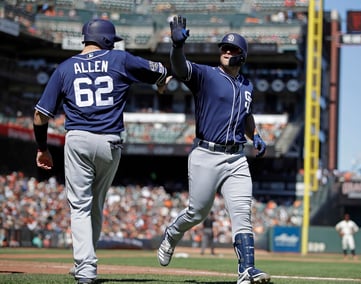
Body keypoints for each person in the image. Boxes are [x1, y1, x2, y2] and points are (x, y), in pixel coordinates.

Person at [33, 19, 169, 284]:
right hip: (110, 141)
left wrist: (42, 148)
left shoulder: (65, 68)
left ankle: (85, 266)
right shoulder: (120, 59)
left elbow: (40, 116)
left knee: (80, 205)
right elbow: (161, 71)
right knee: (95, 204)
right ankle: (84, 262)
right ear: (107, 40)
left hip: (79, 139)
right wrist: (162, 82)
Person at [157, 15, 271, 284]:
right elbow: (181, 68)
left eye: (232, 49)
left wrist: (255, 136)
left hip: (236, 158)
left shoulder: (247, 86)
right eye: (224, 48)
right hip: (206, 154)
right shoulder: (206, 75)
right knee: (197, 212)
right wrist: (176, 47)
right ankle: (172, 233)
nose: (226, 52)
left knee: (242, 213)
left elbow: (246, 116)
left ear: (242, 56)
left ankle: (246, 271)